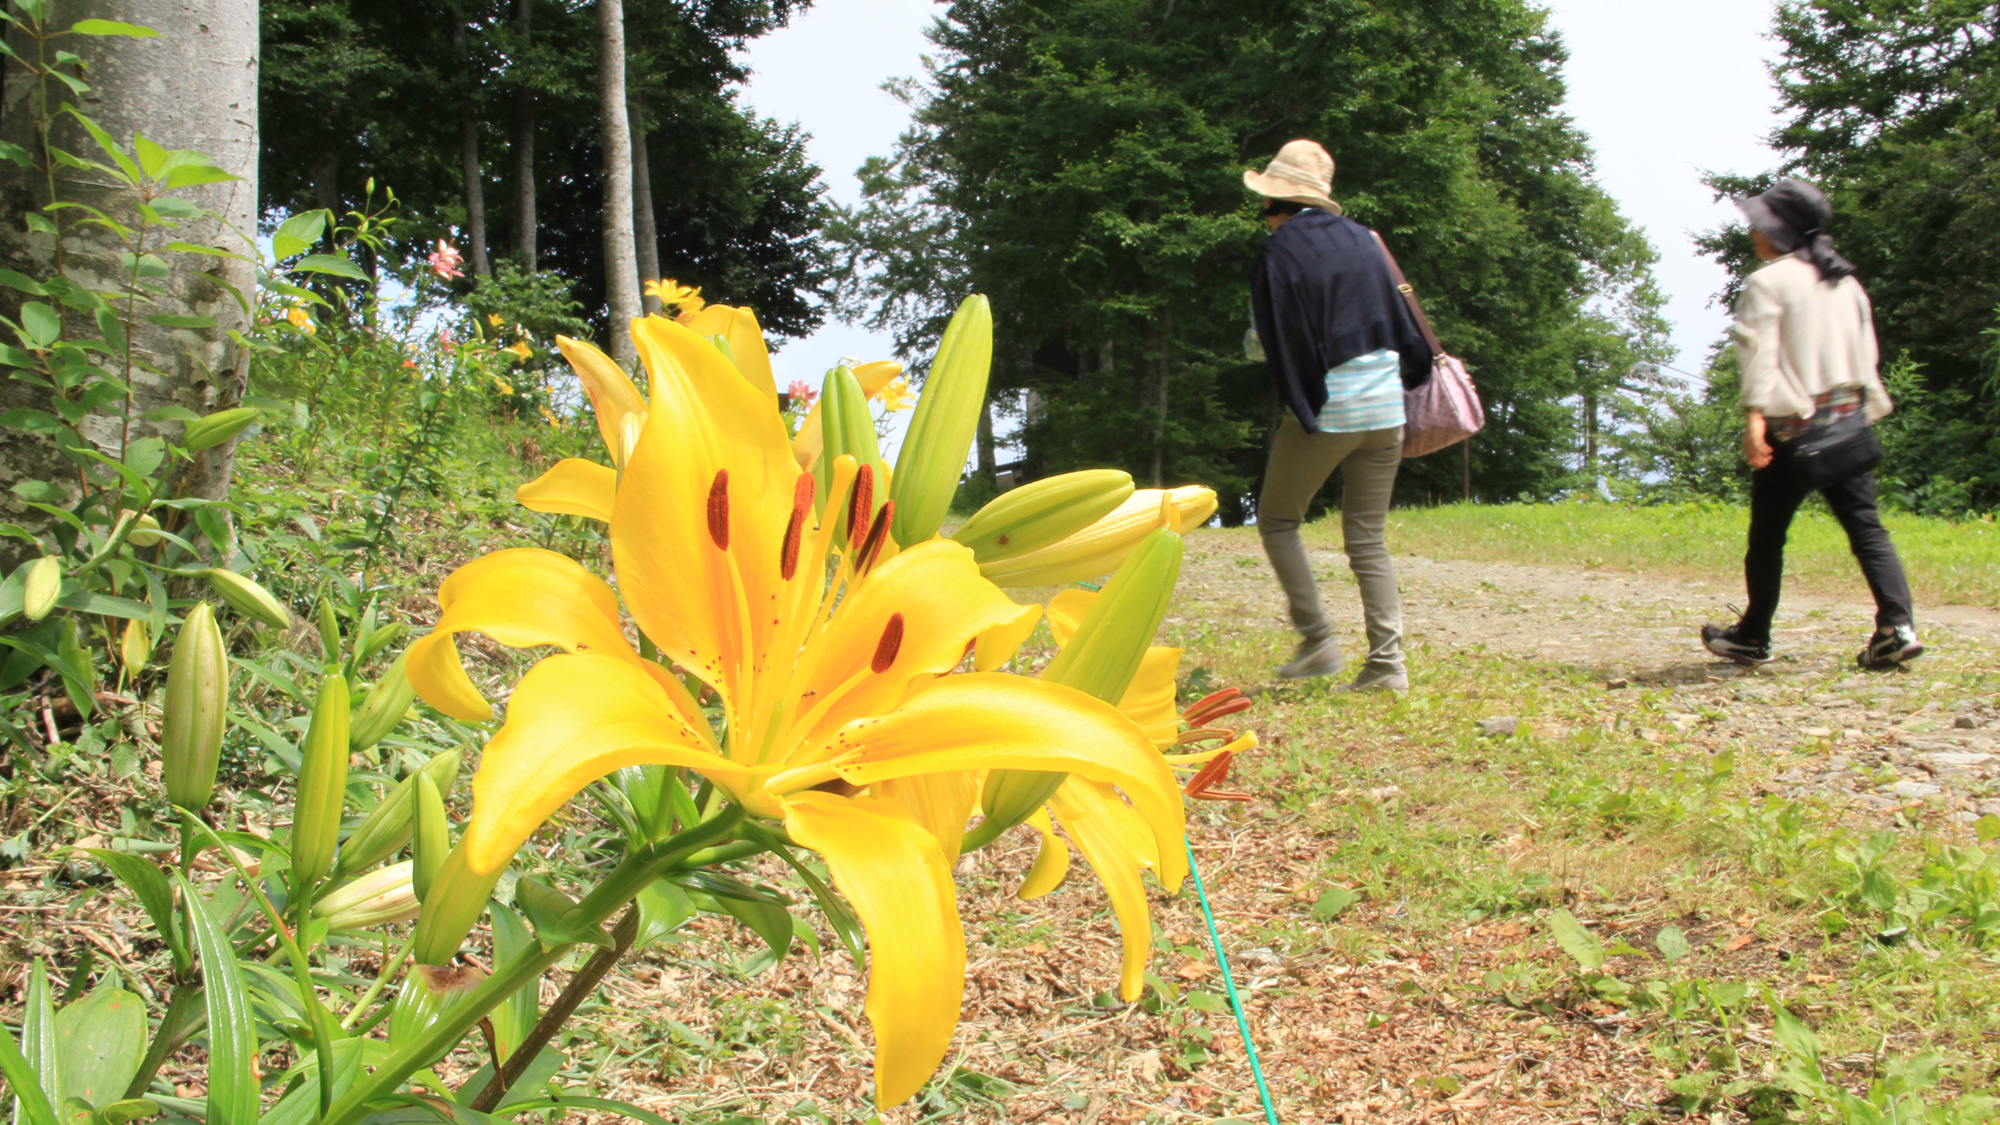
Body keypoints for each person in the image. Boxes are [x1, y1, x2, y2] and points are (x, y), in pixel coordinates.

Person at [1701, 178, 1922, 670]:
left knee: (1767, 536)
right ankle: (1896, 626)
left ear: (1778, 230)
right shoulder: (1844, 281)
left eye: (1758, 224)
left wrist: (1754, 419)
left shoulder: (1768, 282)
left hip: (1793, 429)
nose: (1752, 232)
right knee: (1867, 528)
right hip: (1847, 423)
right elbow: (1867, 354)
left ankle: (1753, 636)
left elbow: (1761, 356)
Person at [1244, 139, 1433, 690]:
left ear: (1276, 205)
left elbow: (1273, 342)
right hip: (1387, 410)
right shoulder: (1364, 242)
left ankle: (1318, 640)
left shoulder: (1280, 254)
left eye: (1265, 207)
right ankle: (1388, 668)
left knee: (1279, 520)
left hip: (1332, 411)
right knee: (1367, 539)